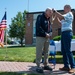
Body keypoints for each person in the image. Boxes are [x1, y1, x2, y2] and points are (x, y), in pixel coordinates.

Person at [52, 5, 75, 73]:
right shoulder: (65, 17)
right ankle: (66, 66)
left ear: (68, 8)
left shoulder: (69, 14)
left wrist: (56, 12)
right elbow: (60, 23)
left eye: (64, 8)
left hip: (67, 33)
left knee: (68, 50)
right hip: (63, 33)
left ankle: (73, 67)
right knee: (63, 50)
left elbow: (61, 17)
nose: (64, 9)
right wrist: (56, 16)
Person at [36, 8, 53, 73]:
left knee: (47, 52)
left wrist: (50, 33)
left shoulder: (48, 19)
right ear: (46, 11)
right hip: (40, 37)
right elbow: (38, 26)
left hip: (47, 38)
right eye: (50, 12)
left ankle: (46, 64)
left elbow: (50, 28)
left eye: (51, 12)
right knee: (39, 51)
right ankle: (38, 66)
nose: (51, 13)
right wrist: (45, 33)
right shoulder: (40, 17)